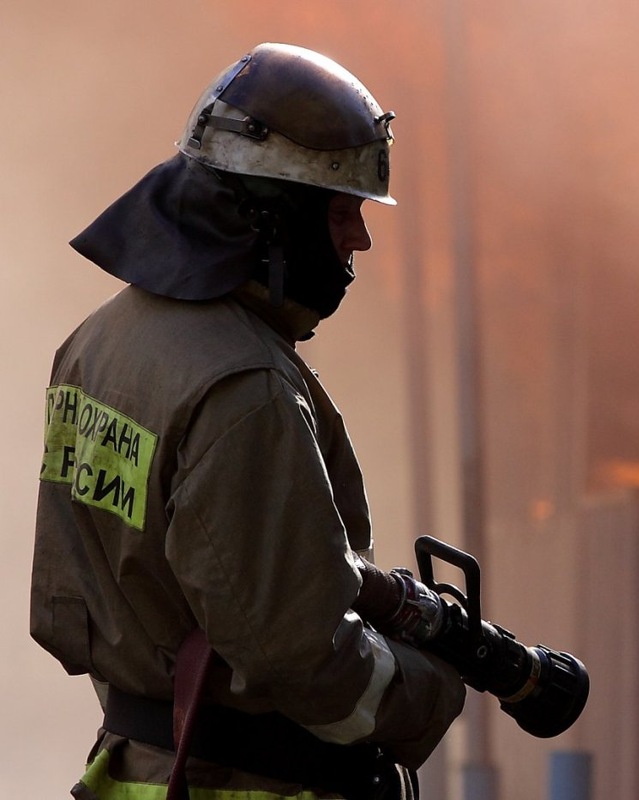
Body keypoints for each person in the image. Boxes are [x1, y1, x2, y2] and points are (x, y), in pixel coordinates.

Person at [31, 42, 466, 800]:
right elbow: (299, 656)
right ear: (273, 217)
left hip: (132, 769)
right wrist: (431, 687)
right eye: (342, 212)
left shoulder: (97, 345)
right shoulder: (246, 390)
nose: (359, 240)